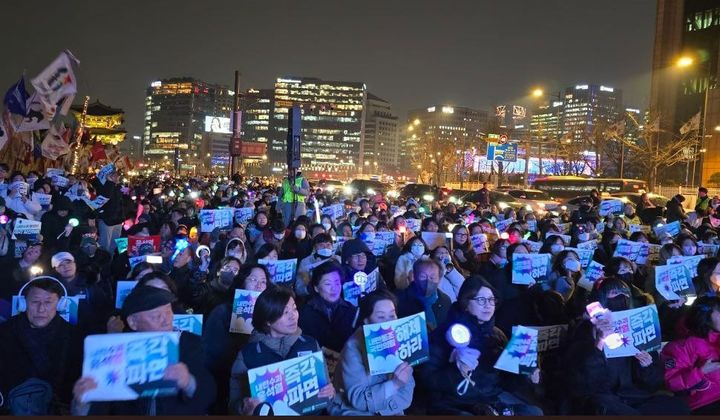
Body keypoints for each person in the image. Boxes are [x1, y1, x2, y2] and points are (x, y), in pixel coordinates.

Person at [71, 285, 216, 415]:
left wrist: (188, 382)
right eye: (156, 316)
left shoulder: (187, 342)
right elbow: (102, 406)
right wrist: (83, 402)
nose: (167, 320)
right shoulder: (114, 350)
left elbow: (208, 392)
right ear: (133, 322)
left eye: (168, 312)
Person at [418, 275, 543, 415]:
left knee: (534, 412)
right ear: (465, 303)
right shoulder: (442, 334)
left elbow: (505, 383)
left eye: (491, 300)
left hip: (489, 401)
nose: (488, 305)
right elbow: (427, 380)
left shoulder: (497, 334)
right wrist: (458, 371)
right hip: (453, 403)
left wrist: (525, 374)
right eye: (481, 300)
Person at [564, 277, 687, 415]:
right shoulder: (585, 330)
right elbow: (582, 384)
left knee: (677, 406)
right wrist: (599, 342)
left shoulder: (638, 326)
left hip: (634, 397)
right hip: (602, 399)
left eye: (624, 293)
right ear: (601, 298)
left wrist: (646, 367)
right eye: (614, 293)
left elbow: (653, 383)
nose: (621, 297)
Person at [228, 287, 335, 415]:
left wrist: (330, 392)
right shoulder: (248, 355)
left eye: (294, 309)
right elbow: (233, 405)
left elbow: (327, 392)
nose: (293, 316)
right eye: (285, 312)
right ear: (267, 319)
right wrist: (243, 407)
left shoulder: (310, 344)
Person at [0, 277, 83, 415]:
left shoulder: (75, 336)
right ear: (23, 303)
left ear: (61, 304)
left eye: (48, 302)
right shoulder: (4, 332)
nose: (41, 309)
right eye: (35, 301)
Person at [329, 290, 414, 415]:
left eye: (392, 316)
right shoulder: (353, 347)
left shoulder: (399, 337)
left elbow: (407, 394)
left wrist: (387, 406)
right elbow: (358, 400)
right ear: (367, 321)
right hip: (352, 409)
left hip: (389, 407)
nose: (388, 322)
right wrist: (394, 385)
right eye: (381, 317)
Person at [202, 263, 270, 414]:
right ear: (242, 282)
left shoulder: (270, 314)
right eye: (253, 279)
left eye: (263, 281)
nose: (259, 285)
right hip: (225, 385)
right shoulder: (222, 312)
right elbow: (211, 355)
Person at [662, 296, 720, 414]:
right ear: (705, 316)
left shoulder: (717, 338)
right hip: (704, 403)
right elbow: (671, 382)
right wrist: (701, 372)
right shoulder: (679, 346)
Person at [298, 261, 357, 353]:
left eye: (337, 283)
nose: (334, 288)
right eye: (327, 284)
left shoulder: (351, 310)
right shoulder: (305, 313)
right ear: (316, 288)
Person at [395, 258, 450, 331]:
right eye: (423, 276)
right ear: (414, 277)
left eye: (432, 277)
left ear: (439, 279)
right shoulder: (397, 300)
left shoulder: (445, 300)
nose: (428, 281)